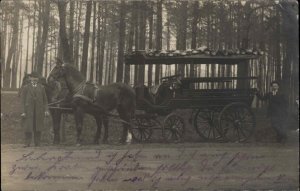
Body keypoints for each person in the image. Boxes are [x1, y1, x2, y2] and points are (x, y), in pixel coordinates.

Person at [20, 71, 50, 147]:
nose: (35, 79)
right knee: (28, 127)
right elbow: (22, 101)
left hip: (39, 111)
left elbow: (45, 100)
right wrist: (23, 111)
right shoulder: (26, 87)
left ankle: (38, 143)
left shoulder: (42, 88)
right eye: (33, 78)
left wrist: (46, 110)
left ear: (38, 79)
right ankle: (27, 143)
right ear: (30, 78)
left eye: (36, 78)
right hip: (28, 111)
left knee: (38, 127)